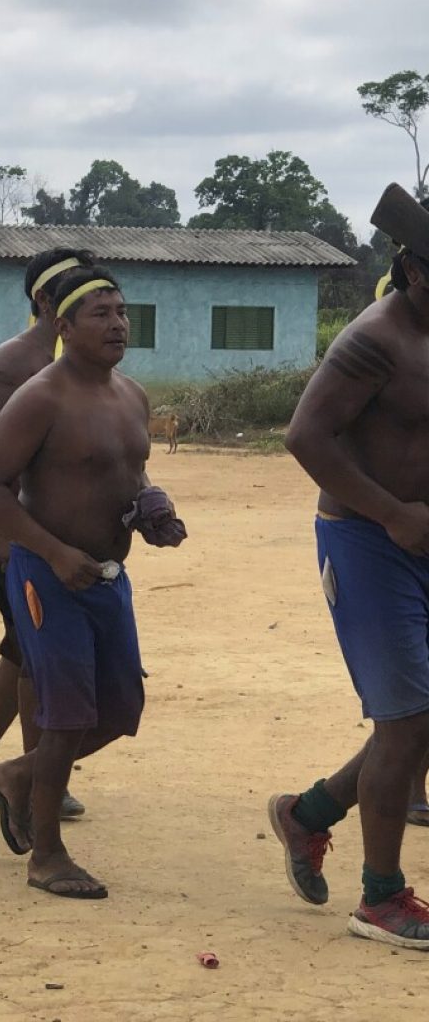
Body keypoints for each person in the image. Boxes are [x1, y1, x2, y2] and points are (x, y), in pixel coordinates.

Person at [0, 266, 185, 898]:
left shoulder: (132, 395)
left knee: (121, 709)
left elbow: (130, 474)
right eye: (100, 313)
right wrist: (53, 551)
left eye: (122, 312)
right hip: (47, 572)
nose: (118, 324)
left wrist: (153, 509)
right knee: (64, 716)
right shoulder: (40, 396)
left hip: (106, 574)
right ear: (62, 326)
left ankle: (16, 773)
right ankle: (47, 854)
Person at [267, 227, 429, 948]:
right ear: (409, 270)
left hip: (420, 536)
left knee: (425, 716)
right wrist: (391, 513)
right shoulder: (374, 340)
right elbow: (306, 435)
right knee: (407, 721)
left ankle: (310, 813)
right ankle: (381, 898)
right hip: (369, 542)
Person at [0, 249, 94, 818]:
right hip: (22, 540)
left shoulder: (81, 365)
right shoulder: (12, 366)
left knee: (23, 650)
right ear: (45, 302)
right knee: (36, 658)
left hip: (65, 542)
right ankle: (40, 780)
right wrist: (6, 540)